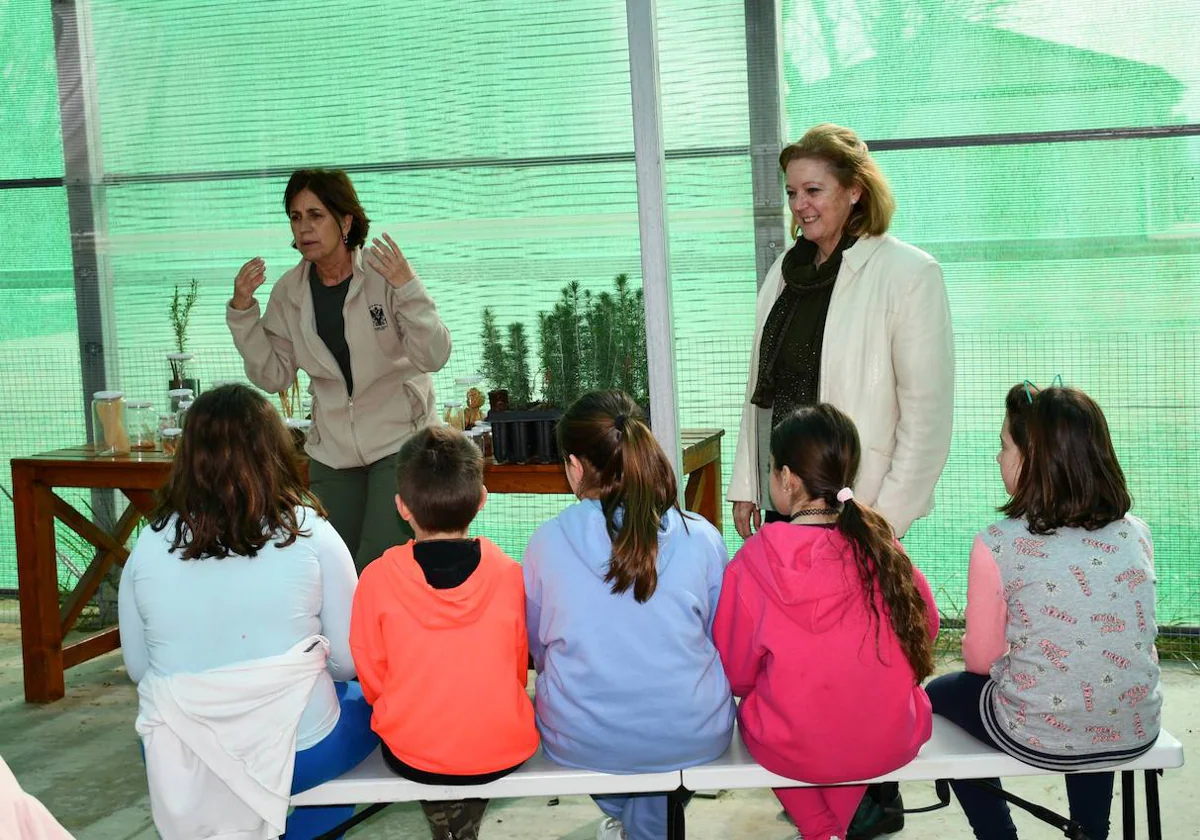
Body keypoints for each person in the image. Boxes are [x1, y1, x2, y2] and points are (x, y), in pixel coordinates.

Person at [727, 122, 954, 836]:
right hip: (791, 493)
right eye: (792, 192)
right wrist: (745, 478)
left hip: (862, 507)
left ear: (856, 192)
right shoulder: (786, 273)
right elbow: (757, 391)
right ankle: (821, 789)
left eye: (814, 190)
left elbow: (928, 415)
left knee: (867, 650)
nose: (800, 205)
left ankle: (869, 799)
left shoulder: (908, 273)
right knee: (801, 656)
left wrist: (885, 519)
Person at [117, 384, 377, 840]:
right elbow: (349, 661)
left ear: (186, 455)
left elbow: (140, 669)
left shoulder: (149, 543)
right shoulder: (312, 533)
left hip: (183, 750)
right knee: (369, 708)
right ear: (273, 451)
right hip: (302, 751)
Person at [927, 383, 1161, 840]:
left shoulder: (998, 541)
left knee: (940, 694)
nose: (997, 458)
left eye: (1004, 446)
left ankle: (997, 835)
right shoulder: (1137, 532)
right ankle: (1092, 830)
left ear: (1034, 460)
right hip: (1135, 725)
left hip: (1032, 730)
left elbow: (979, 660)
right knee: (1095, 687)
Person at [714, 404, 938, 840]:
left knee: (769, 716)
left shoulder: (754, 560)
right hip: (889, 738)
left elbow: (736, 675)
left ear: (787, 479)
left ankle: (820, 828)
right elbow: (924, 632)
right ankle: (832, 825)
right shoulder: (885, 545)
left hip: (794, 744)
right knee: (849, 722)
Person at [523, 391, 735, 840]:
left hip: (581, 738)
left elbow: (540, 650)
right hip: (693, 733)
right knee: (656, 752)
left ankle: (633, 816)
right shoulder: (702, 537)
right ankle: (647, 820)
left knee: (588, 720)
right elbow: (718, 638)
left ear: (576, 468)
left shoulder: (546, 543)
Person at [227, 168, 452, 571]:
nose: (304, 228)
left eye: (316, 215)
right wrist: (243, 313)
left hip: (399, 443)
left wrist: (408, 287)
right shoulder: (288, 293)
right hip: (331, 452)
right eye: (295, 218)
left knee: (377, 567)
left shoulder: (385, 278)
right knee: (331, 568)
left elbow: (434, 355)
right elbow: (273, 375)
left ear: (345, 221)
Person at [350, 425, 539, 840]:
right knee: (467, 731)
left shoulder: (377, 579)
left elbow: (372, 678)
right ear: (482, 500)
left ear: (402, 507)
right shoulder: (510, 575)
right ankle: (465, 825)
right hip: (501, 746)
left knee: (422, 730)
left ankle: (445, 825)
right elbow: (516, 669)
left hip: (413, 752)